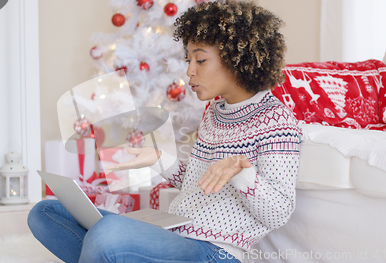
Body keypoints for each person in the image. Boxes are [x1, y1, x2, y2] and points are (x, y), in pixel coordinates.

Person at [28, 1, 302, 262]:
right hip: (176, 234)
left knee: (106, 235)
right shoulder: (215, 113)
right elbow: (197, 184)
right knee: (46, 212)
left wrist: (242, 172)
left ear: (236, 59)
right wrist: (157, 158)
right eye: (188, 60)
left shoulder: (276, 121)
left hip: (215, 253)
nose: (189, 72)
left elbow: (278, 213)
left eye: (200, 61)